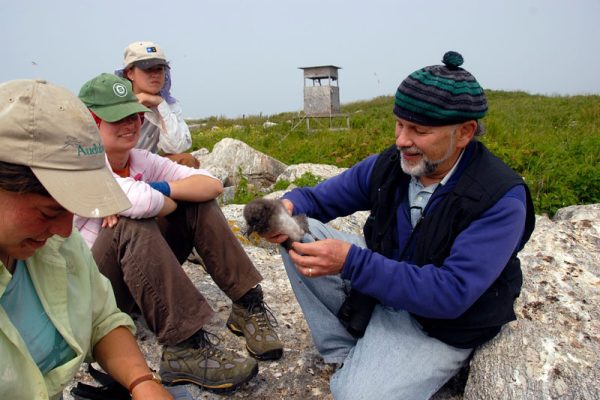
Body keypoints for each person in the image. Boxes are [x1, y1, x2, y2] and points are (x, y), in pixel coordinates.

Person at [258, 51, 535, 399]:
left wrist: (351, 262)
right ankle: (348, 353)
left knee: (355, 396)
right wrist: (283, 209)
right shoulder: (391, 164)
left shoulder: (499, 198)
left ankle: (374, 364)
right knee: (298, 231)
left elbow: (451, 294)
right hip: (388, 285)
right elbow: (319, 199)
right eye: (400, 124)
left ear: (464, 133)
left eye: (419, 130)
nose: (402, 140)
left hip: (439, 324)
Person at [75, 73, 283, 393]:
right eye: (118, 118)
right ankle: (183, 347)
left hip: (129, 284)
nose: (131, 124)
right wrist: (163, 199)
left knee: (197, 205)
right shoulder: (82, 166)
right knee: (131, 223)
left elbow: (210, 183)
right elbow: (140, 201)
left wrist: (161, 194)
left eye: (134, 115)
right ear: (90, 121)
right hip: (93, 296)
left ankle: (247, 302)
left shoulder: (137, 158)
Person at [0, 79, 172, 400]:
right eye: (49, 212)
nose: (66, 231)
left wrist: (142, 383)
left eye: (73, 210)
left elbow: (102, 318)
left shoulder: (57, 243)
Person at [116, 40, 199, 168]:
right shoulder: (115, 103)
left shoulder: (169, 105)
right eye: (148, 69)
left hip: (147, 166)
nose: (155, 75)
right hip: (117, 167)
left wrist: (159, 104)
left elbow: (176, 147)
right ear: (130, 73)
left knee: (187, 161)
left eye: (159, 69)